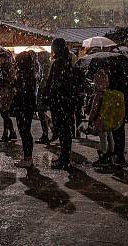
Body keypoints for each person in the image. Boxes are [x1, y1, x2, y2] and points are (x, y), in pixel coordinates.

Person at [45, 37, 84, 170]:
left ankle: (64, 158)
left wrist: (49, 95)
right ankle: (65, 156)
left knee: (63, 130)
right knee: (65, 129)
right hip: (68, 101)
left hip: (60, 101)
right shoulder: (69, 61)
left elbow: (54, 83)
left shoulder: (59, 63)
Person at [11, 51, 38, 167]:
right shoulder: (30, 73)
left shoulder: (23, 75)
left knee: (24, 131)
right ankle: (28, 157)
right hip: (28, 105)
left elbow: (21, 91)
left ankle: (28, 158)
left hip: (23, 106)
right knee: (26, 130)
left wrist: (15, 85)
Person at [0, 51, 18, 142]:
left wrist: (0, 78)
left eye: (0, 58)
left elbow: (9, 80)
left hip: (6, 92)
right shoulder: (3, 67)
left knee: (4, 113)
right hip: (4, 92)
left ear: (4, 58)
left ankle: (8, 133)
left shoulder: (8, 67)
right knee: (4, 113)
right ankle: (10, 133)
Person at [35, 51, 54, 143]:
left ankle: (46, 134)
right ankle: (51, 130)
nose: (38, 58)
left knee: (41, 112)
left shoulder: (46, 65)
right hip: (44, 91)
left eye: (39, 56)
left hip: (43, 91)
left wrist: (40, 85)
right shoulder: (42, 65)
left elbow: (45, 79)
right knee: (43, 113)